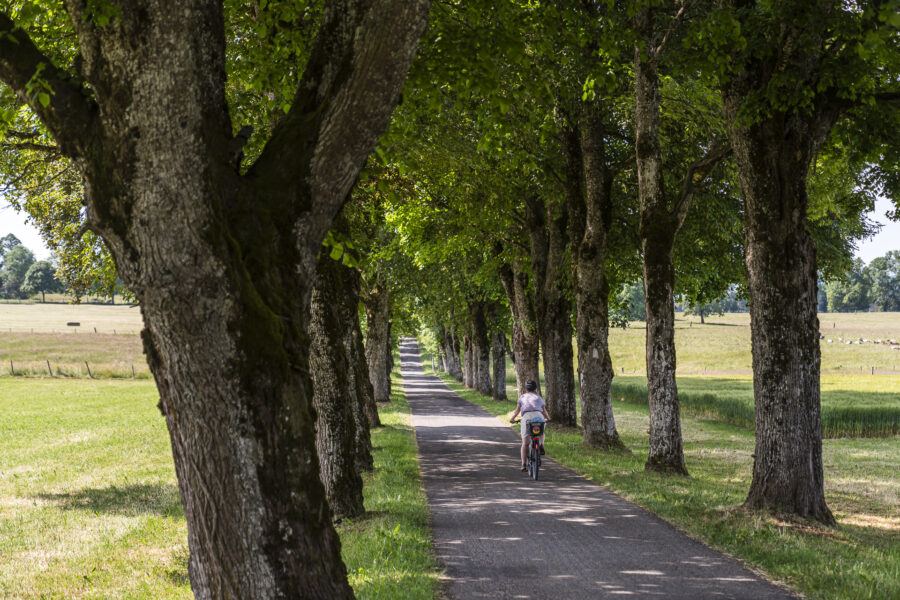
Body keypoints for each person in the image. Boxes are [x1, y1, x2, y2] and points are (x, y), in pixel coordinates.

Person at [509, 379, 550, 472]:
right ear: (535, 388)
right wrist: (548, 418)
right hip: (538, 416)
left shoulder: (522, 397)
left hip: (527, 417)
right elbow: (544, 410)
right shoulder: (538, 397)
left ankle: (523, 464)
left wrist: (512, 419)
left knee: (525, 443)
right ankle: (541, 445)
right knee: (541, 432)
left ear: (526, 388)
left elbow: (517, 410)